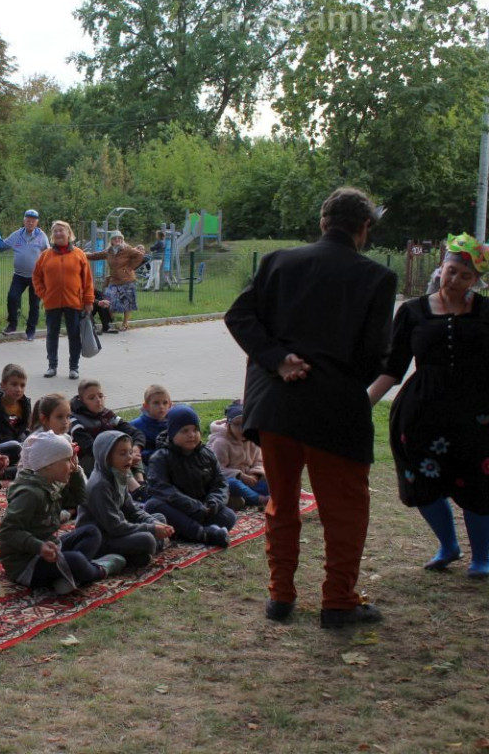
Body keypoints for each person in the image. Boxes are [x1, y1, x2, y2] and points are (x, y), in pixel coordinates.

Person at [225, 186, 396, 627]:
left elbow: (239, 317)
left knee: (282, 503)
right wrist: (327, 376)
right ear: (364, 229)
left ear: (323, 222)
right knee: (345, 510)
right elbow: (373, 357)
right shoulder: (377, 278)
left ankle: (280, 596)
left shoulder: (278, 261)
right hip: (335, 410)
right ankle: (338, 600)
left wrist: (280, 360)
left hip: (276, 407)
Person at [368, 233, 489, 578]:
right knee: (420, 478)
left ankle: (482, 557)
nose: (455, 280)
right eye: (452, 271)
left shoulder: (485, 312)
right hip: (422, 411)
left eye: (465, 276)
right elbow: (393, 368)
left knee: (479, 482)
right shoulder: (412, 312)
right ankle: (447, 545)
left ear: (476, 281)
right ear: (441, 267)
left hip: (477, 413)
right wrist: (364, 403)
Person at [0, 431, 126, 594]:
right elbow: (8, 531)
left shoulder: (51, 483)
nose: (71, 464)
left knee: (91, 532)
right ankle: (97, 570)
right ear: (50, 463)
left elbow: (81, 499)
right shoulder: (29, 494)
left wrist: (76, 471)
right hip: (27, 564)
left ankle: (68, 577)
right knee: (76, 560)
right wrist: (40, 547)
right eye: (67, 460)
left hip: (49, 549)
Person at [143, 405, 236, 547]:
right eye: (184, 431)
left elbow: (220, 482)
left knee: (229, 517)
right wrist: (192, 506)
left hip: (203, 509)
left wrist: (214, 502)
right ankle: (203, 534)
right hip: (178, 508)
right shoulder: (161, 458)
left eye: (195, 430)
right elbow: (160, 488)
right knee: (152, 505)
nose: (191, 435)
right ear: (173, 433)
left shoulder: (207, 454)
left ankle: (187, 531)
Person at [78, 431, 174, 567]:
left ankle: (139, 554)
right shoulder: (100, 485)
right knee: (147, 539)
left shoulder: (119, 474)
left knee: (159, 518)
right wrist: (152, 530)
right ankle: (133, 553)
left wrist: (155, 524)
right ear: (106, 457)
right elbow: (115, 527)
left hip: (118, 529)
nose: (129, 457)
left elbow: (132, 509)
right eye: (122, 454)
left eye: (130, 452)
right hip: (101, 538)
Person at [32, 220, 94, 380]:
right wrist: (43, 294)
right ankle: (52, 366)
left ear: (69, 233)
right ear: (52, 235)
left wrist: (88, 301)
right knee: (52, 334)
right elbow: (36, 277)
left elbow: (87, 280)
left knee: (74, 335)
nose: (59, 233)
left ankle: (74, 367)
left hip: (74, 302)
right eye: (56, 231)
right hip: (52, 302)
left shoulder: (79, 254)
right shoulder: (45, 256)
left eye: (62, 230)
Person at [69, 379, 146, 479]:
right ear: (81, 401)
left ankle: (140, 482)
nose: (98, 400)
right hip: (89, 464)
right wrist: (121, 454)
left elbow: (135, 433)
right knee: (125, 453)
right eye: (91, 398)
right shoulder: (75, 420)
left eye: (100, 396)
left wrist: (136, 449)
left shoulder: (107, 415)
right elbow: (91, 448)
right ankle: (134, 487)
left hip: (112, 457)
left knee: (130, 447)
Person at [207, 401, 269, 509]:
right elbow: (217, 469)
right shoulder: (221, 442)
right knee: (233, 484)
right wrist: (240, 475)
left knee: (271, 481)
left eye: (245, 424)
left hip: (249, 480)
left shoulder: (253, 438)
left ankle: (245, 498)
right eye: (237, 424)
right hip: (228, 482)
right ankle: (259, 500)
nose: (241, 429)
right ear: (228, 424)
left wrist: (255, 475)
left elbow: (259, 461)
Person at [2, 209, 50, 341]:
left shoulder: (42, 236)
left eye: (33, 221)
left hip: (36, 277)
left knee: (34, 304)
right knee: (12, 297)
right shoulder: (17, 234)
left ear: (37, 222)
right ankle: (12, 324)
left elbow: (48, 253)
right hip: (19, 275)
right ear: (24, 221)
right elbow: (3, 244)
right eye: (28, 220)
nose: (30, 223)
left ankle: (31, 331)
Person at [86, 230, 143, 331]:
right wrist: (80, 253)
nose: (117, 239)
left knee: (127, 302)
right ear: (111, 240)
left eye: (119, 238)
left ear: (122, 239)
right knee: (108, 301)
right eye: (115, 238)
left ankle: (125, 323)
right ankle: (109, 321)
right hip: (114, 280)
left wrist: (130, 267)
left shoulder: (127, 249)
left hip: (127, 279)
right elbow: (95, 255)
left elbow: (140, 255)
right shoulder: (109, 251)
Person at [0, 363, 32, 447]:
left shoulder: (25, 405)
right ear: (3, 385)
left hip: (19, 445)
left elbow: (25, 428)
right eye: (14, 384)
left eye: (22, 385)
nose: (19, 389)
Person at [130, 384, 172, 459]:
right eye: (156, 403)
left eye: (165, 403)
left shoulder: (173, 423)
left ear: (170, 405)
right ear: (146, 406)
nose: (161, 406)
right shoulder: (135, 425)